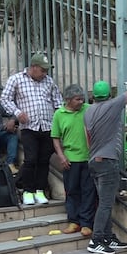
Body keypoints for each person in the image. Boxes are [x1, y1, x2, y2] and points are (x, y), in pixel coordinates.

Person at [84, 58, 127, 254]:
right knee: (105, 203)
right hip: (107, 162)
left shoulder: (88, 112)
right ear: (109, 94)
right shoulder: (113, 106)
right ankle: (96, 240)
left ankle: (107, 236)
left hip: (94, 161)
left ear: (94, 95)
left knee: (105, 200)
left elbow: (88, 137)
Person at [0, 53, 62, 205]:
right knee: (31, 159)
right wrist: (17, 113)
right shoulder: (16, 79)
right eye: (43, 70)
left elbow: (58, 101)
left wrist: (60, 120)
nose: (45, 73)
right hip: (29, 127)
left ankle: (40, 190)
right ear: (33, 67)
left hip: (47, 126)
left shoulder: (49, 81)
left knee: (43, 160)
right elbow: (5, 98)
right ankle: (28, 190)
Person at [51, 84, 96, 237]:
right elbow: (55, 138)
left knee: (89, 191)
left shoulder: (88, 109)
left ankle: (86, 223)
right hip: (70, 159)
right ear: (68, 100)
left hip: (88, 158)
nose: (81, 102)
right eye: (77, 99)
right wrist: (61, 156)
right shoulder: (59, 114)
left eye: (82, 99)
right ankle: (73, 221)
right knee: (71, 191)